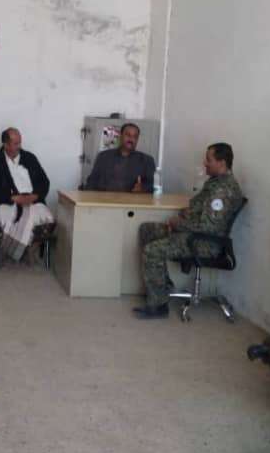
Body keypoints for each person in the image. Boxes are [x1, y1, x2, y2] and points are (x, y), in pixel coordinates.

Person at [133, 142, 243, 319]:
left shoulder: (223, 190)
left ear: (221, 162)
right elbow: (201, 209)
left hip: (204, 242)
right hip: (194, 234)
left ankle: (158, 306)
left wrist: (178, 224)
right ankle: (162, 288)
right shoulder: (215, 182)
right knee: (147, 230)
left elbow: (209, 227)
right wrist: (188, 212)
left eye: (209, 160)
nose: (205, 163)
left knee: (152, 250)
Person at [0, 128, 54, 262]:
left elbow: (44, 182)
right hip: (6, 202)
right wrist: (13, 198)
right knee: (6, 218)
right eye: (16, 144)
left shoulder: (30, 158)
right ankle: (23, 251)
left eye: (20, 143)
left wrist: (35, 196)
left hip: (32, 201)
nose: (19, 146)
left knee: (47, 218)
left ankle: (21, 250)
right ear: (5, 144)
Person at [84, 123, 154, 193]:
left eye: (135, 137)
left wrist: (143, 189)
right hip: (105, 198)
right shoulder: (103, 157)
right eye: (128, 135)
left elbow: (152, 186)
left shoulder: (146, 160)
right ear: (120, 136)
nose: (131, 139)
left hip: (131, 199)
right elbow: (92, 181)